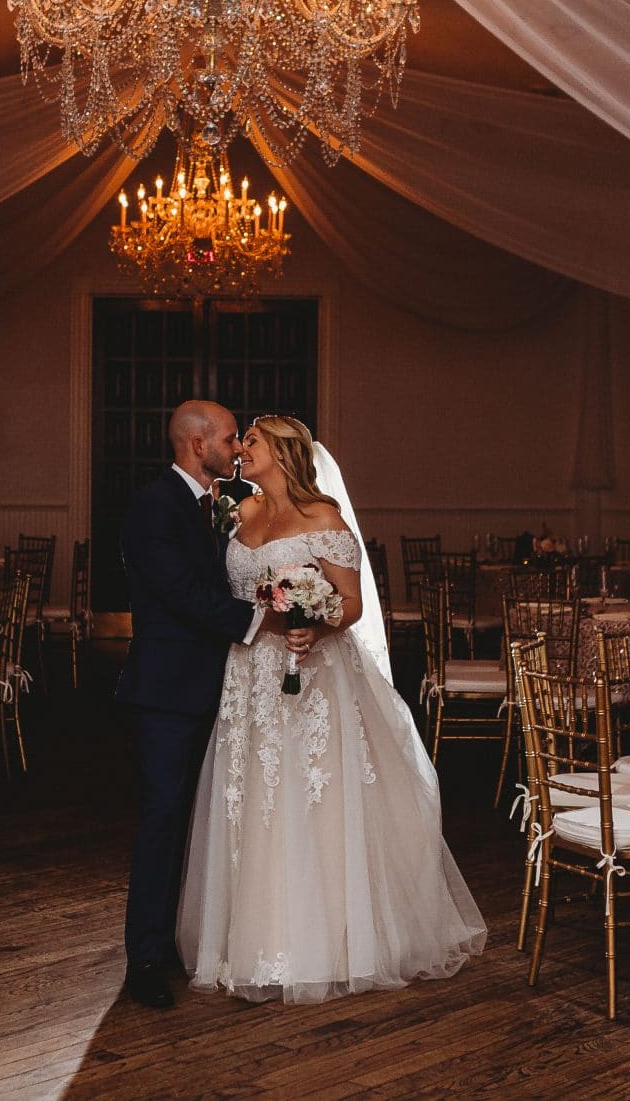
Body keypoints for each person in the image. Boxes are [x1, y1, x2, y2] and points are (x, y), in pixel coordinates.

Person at [178, 414, 486, 1003]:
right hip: (248, 676)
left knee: (310, 798)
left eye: (252, 441)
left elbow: (352, 604)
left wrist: (314, 628)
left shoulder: (325, 520)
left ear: (284, 454)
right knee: (252, 796)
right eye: (241, 440)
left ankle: (329, 941)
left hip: (313, 677)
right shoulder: (241, 514)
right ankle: (252, 937)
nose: (241, 449)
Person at [116, 400, 272, 1010]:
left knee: (208, 817)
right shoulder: (154, 505)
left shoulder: (212, 505)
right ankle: (145, 957)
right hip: (168, 691)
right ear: (198, 444)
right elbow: (181, 593)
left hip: (221, 686)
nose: (237, 449)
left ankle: (189, 938)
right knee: (163, 818)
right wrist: (266, 619)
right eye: (231, 439)